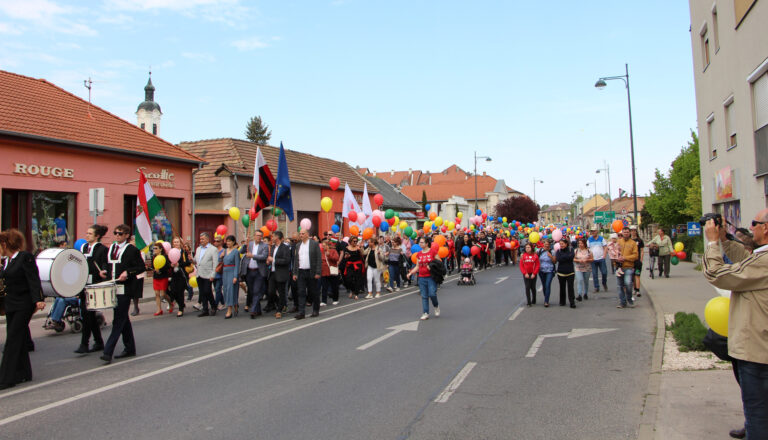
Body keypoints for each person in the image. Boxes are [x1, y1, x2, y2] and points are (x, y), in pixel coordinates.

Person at [702, 211, 768, 439]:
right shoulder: (760, 260)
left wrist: (711, 243)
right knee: (757, 412)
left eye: (755, 224)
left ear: (765, 228)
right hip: (759, 347)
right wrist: (724, 240)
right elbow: (747, 261)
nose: (752, 228)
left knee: (758, 413)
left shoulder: (764, 262)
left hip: (758, 352)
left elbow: (718, 274)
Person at [0, 229, 46, 390]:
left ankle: (6, 378)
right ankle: (24, 373)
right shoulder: (6, 261)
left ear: (5, 244)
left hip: (23, 305)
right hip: (11, 305)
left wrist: (38, 299)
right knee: (17, 338)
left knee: (12, 340)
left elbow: (33, 279)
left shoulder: (24, 257)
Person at [100, 224, 144, 364]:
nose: (117, 235)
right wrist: (103, 271)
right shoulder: (111, 248)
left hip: (125, 289)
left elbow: (141, 267)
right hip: (113, 287)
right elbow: (107, 264)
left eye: (120, 233)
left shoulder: (132, 250)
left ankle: (108, 352)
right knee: (123, 318)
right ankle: (130, 348)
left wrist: (128, 272)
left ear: (126, 235)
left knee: (118, 320)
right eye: (115, 233)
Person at [75, 224, 108, 353]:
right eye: (87, 233)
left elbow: (105, 263)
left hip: (94, 286)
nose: (87, 235)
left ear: (97, 236)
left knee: (88, 314)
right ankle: (99, 341)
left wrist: (103, 271)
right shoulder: (84, 248)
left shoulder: (102, 249)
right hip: (84, 285)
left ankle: (84, 344)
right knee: (88, 315)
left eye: (90, 233)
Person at [408, 237, 441, 320]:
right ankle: (425, 312)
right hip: (422, 277)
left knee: (432, 294)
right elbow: (417, 266)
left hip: (431, 277)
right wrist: (410, 273)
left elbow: (439, 262)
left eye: (422, 242)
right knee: (424, 296)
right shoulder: (419, 254)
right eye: (420, 242)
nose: (420, 244)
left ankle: (436, 306)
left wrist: (432, 266)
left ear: (427, 243)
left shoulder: (432, 252)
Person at [292, 229, 322, 319]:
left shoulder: (314, 244)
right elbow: (296, 260)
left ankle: (316, 310)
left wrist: (318, 272)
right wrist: (295, 273)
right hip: (301, 272)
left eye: (303, 233)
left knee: (313, 292)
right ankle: (301, 312)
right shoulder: (298, 245)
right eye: (300, 234)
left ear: (307, 234)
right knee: (301, 292)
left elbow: (318, 259)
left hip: (311, 271)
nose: (301, 235)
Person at [242, 230, 269, 318]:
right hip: (249, 271)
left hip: (259, 271)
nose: (259, 237)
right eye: (257, 235)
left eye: (260, 236)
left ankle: (253, 310)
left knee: (256, 291)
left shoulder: (264, 246)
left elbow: (264, 257)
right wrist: (244, 244)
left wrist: (253, 256)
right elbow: (242, 251)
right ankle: (258, 310)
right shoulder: (250, 244)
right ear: (254, 236)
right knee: (252, 291)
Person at [266, 231, 291, 318]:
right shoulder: (272, 247)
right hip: (272, 272)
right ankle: (281, 303)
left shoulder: (285, 248)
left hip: (281, 273)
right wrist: (269, 261)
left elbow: (286, 260)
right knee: (270, 292)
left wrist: (274, 260)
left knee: (281, 292)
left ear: (277, 237)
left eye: (273, 236)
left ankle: (279, 310)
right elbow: (270, 258)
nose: (272, 238)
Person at [195, 232, 219, 317]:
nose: (201, 240)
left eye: (203, 239)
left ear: (208, 239)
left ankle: (213, 306)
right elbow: (196, 261)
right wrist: (192, 259)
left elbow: (215, 263)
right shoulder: (198, 249)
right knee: (202, 292)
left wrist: (213, 274)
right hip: (199, 274)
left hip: (208, 274)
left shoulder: (213, 249)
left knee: (207, 291)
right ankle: (205, 309)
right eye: (200, 239)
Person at [616, 227, 638, 309]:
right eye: (624, 232)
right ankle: (622, 302)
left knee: (628, 283)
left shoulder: (633, 243)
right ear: (622, 233)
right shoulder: (619, 242)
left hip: (629, 266)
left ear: (630, 233)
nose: (626, 233)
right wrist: (617, 259)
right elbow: (614, 252)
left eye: (627, 232)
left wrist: (625, 258)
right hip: (619, 267)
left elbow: (635, 256)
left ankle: (629, 299)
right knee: (620, 285)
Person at [169, 236, 191, 317]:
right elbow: (168, 262)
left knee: (180, 292)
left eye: (177, 242)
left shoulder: (183, 252)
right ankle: (181, 304)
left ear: (180, 243)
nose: (176, 244)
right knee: (173, 292)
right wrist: (170, 265)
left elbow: (188, 263)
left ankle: (181, 309)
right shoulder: (170, 252)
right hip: (174, 275)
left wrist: (179, 264)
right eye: (174, 242)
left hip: (182, 275)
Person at [220, 235, 241, 319]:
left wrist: (235, 276)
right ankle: (235, 304)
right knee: (225, 290)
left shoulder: (236, 251)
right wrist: (221, 256)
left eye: (230, 241)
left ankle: (229, 309)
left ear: (233, 242)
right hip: (225, 272)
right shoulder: (224, 250)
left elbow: (237, 265)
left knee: (231, 291)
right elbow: (220, 261)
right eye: (227, 241)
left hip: (232, 272)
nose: (228, 243)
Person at [151, 241, 172, 316]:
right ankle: (159, 309)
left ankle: (170, 303)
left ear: (160, 249)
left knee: (163, 294)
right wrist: (153, 269)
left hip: (163, 277)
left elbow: (168, 266)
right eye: (153, 248)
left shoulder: (165, 257)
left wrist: (160, 270)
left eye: (156, 248)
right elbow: (153, 266)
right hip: (156, 277)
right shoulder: (153, 257)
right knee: (157, 294)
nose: (154, 250)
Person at [555, 238, 576, 308]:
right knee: (562, 287)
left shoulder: (571, 250)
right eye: (560, 244)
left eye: (562, 244)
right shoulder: (558, 251)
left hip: (570, 272)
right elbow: (558, 259)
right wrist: (566, 257)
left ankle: (572, 302)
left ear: (566, 244)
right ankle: (562, 301)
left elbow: (571, 257)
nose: (561, 245)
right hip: (561, 272)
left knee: (570, 288)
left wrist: (564, 257)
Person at [587, 226, 608, 292]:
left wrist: (604, 255)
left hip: (601, 258)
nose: (593, 232)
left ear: (597, 231)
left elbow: (605, 247)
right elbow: (588, 249)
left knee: (604, 272)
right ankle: (596, 287)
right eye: (592, 231)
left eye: (594, 231)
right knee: (594, 274)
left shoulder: (601, 239)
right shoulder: (589, 240)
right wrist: (589, 256)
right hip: (593, 259)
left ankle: (604, 283)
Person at [320, 237, 340, 305]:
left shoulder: (333, 251)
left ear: (328, 245)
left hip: (332, 271)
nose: (323, 246)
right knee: (324, 287)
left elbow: (336, 258)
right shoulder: (321, 251)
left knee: (334, 286)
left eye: (324, 245)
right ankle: (323, 301)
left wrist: (329, 256)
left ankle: (335, 299)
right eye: (323, 245)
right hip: (324, 272)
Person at [573, 238, 593, 302]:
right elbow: (573, 259)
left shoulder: (589, 251)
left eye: (582, 243)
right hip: (578, 267)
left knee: (586, 281)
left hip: (587, 268)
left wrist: (587, 260)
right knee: (579, 280)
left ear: (584, 244)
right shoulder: (576, 251)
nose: (580, 245)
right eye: (579, 243)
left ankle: (585, 293)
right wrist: (578, 260)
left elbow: (592, 259)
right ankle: (579, 294)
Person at [537, 240, 556, 307]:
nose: (546, 245)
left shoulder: (552, 251)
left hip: (550, 270)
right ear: (543, 244)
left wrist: (550, 256)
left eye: (548, 244)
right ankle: (546, 297)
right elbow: (535, 258)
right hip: (541, 270)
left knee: (548, 285)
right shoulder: (539, 251)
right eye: (545, 244)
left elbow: (554, 262)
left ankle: (546, 301)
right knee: (544, 285)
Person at [630, 226, 645, 297]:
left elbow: (642, 251)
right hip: (630, 261)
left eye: (634, 230)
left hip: (637, 260)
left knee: (637, 275)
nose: (633, 232)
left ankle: (638, 290)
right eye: (631, 230)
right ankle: (634, 288)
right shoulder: (629, 240)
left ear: (636, 231)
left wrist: (641, 259)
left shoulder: (639, 240)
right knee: (632, 276)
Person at [212, 236, 225, 311]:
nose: (216, 242)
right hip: (213, 273)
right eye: (215, 241)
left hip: (220, 272)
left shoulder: (223, 250)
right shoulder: (213, 250)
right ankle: (223, 303)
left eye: (217, 241)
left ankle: (215, 306)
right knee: (218, 290)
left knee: (217, 289)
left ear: (221, 242)